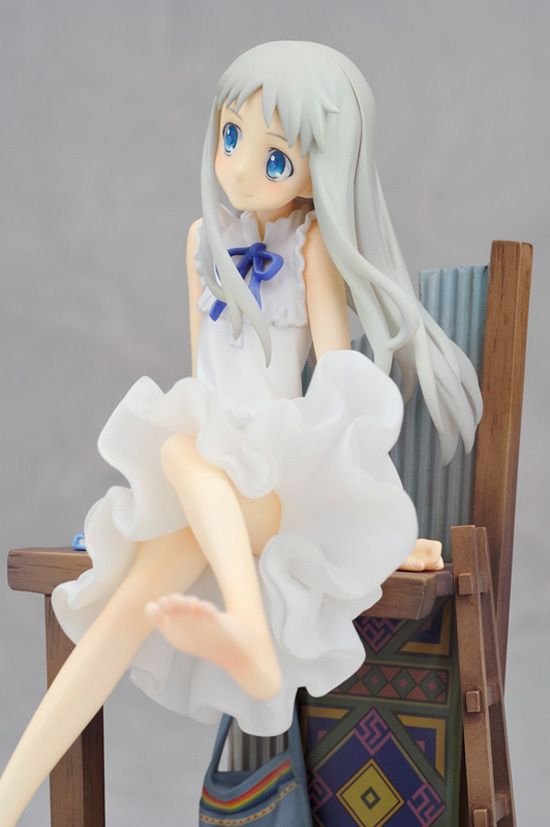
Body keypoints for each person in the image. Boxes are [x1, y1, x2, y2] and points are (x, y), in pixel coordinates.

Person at [0, 41, 482, 826]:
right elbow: (202, 381)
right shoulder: (202, 241)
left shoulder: (313, 247)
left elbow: (341, 387)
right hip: (212, 480)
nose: (240, 167)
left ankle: (252, 637)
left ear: (319, 170)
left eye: (274, 157)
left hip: (280, 484)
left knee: (178, 449)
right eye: (230, 136)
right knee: (125, 604)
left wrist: (376, 524)